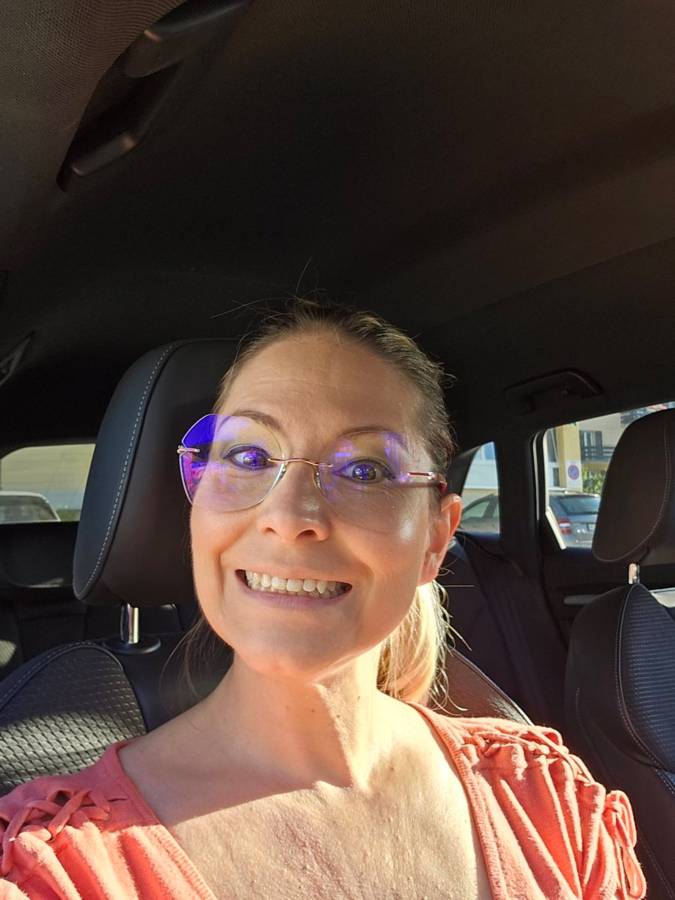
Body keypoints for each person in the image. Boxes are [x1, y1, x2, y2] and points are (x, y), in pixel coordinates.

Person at [0, 300, 646, 899]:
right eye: (248, 456)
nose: (289, 515)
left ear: (434, 539)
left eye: (364, 471)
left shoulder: (545, 801)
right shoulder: (54, 867)